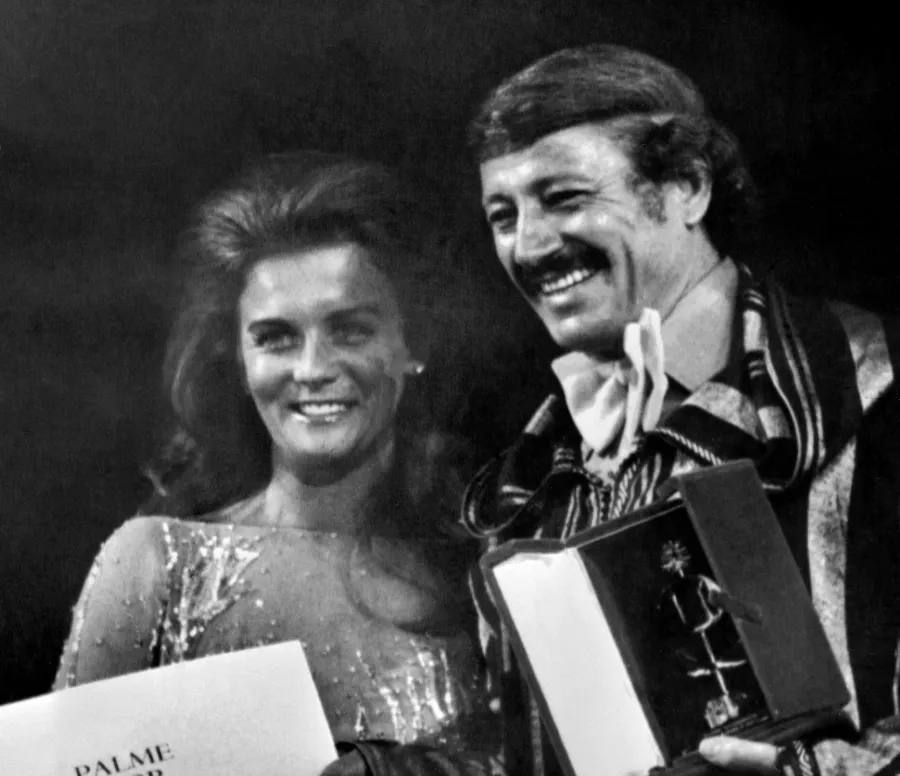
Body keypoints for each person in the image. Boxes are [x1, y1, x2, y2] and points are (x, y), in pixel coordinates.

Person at [461, 44, 900, 776]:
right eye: (503, 216)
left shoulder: (877, 387)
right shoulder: (527, 482)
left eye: (564, 198)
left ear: (688, 187)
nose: (529, 246)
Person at [53, 152, 501, 776]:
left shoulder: (479, 574)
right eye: (276, 338)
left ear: (413, 345)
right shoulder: (156, 565)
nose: (312, 369)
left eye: (350, 331)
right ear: (239, 361)